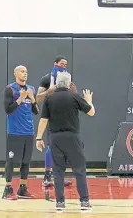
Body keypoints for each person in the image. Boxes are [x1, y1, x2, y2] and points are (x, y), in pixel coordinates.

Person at [35, 72, 95, 211]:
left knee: (58, 171)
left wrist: (38, 138)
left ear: (57, 83)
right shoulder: (75, 96)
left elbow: (43, 120)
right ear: (69, 83)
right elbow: (91, 112)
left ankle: (60, 203)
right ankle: (84, 202)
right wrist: (89, 100)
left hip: (55, 138)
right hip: (72, 137)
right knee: (79, 170)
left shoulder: (49, 99)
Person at [36, 55, 75, 187]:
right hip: (51, 113)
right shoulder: (47, 79)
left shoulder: (66, 78)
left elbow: (73, 95)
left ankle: (59, 176)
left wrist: (74, 91)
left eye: (66, 64)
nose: (63, 66)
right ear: (55, 63)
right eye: (61, 64)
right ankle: (47, 176)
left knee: (63, 147)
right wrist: (49, 91)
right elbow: (38, 98)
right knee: (51, 147)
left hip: (65, 115)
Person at [2, 65, 39, 200]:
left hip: (29, 131)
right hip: (15, 132)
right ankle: (7, 189)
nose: (25, 74)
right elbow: (8, 110)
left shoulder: (31, 89)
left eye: (26, 72)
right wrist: (20, 98)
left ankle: (22, 189)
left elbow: (36, 111)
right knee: (11, 161)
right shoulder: (10, 89)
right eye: (22, 71)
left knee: (26, 161)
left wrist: (32, 98)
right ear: (15, 73)